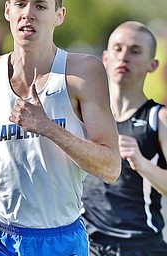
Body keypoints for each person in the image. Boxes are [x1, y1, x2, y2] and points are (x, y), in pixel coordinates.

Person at [0, 1, 121, 255]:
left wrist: (48, 127)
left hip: (59, 237)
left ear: (59, 16)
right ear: (8, 10)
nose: (28, 14)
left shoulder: (82, 73)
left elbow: (110, 167)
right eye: (20, 4)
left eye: (40, 6)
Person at [82, 21, 167, 256]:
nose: (124, 57)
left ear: (153, 65)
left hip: (140, 246)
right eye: (118, 49)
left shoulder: (158, 118)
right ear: (106, 58)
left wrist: (141, 163)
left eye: (135, 51)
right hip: (86, 245)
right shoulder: (83, 117)